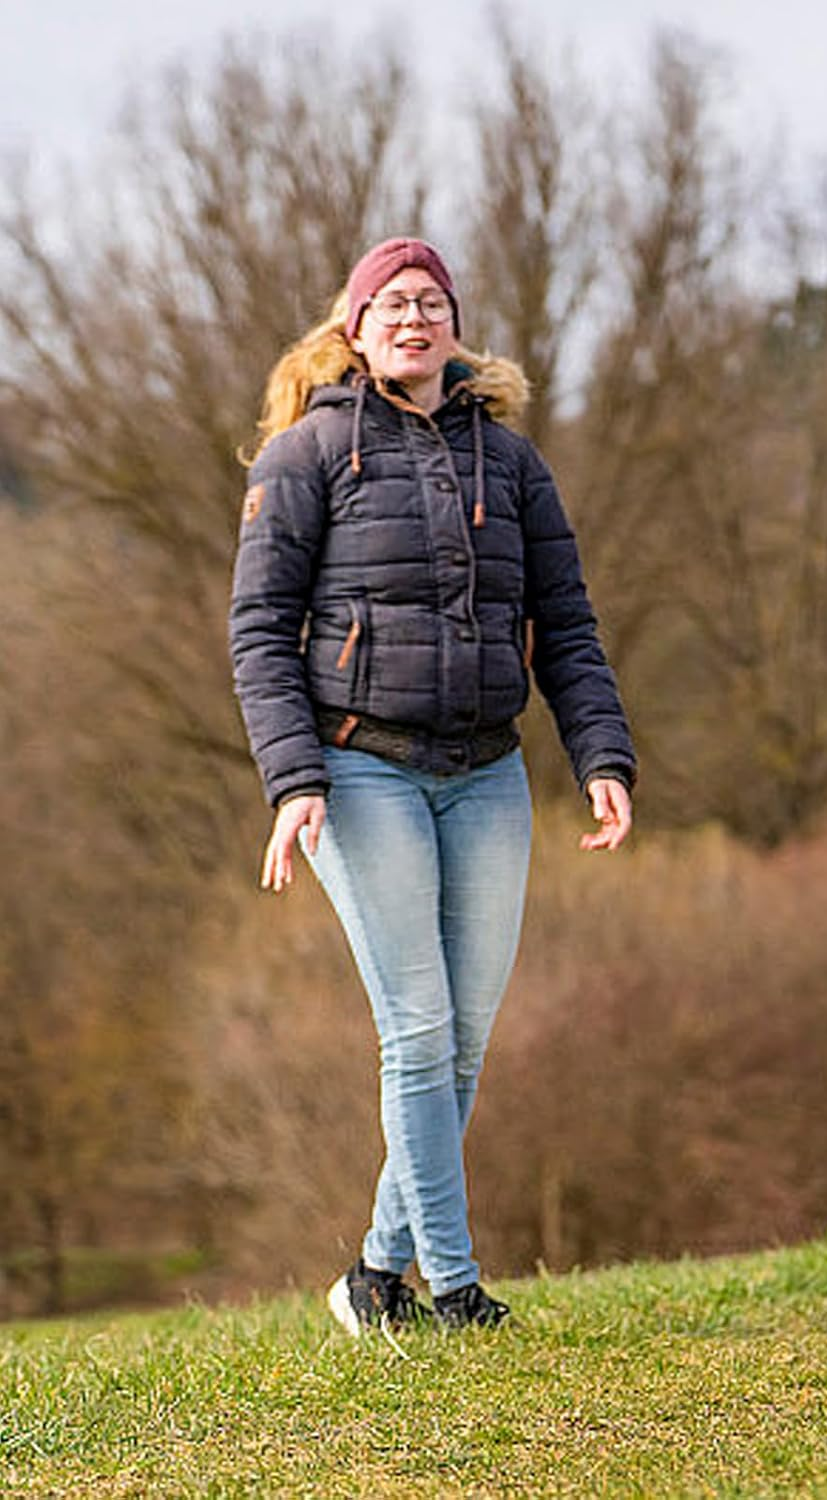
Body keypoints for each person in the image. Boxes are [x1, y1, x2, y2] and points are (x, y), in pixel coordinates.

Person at [229, 238, 635, 1336]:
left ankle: (373, 1277)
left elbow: (568, 626)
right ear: (355, 330)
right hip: (361, 768)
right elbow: (260, 634)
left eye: (433, 303)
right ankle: (450, 1289)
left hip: (488, 773)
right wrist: (294, 780)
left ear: (455, 326)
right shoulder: (306, 455)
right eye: (393, 305)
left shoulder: (513, 463)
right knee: (416, 1033)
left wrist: (602, 756)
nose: (414, 318)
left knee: (462, 1040)